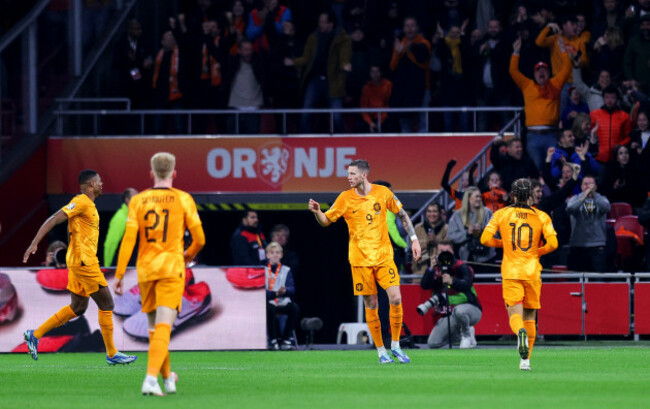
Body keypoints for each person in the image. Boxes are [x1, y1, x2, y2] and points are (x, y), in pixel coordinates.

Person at [308, 159, 421, 364]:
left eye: (352, 174)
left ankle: (395, 346)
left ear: (363, 175)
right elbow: (326, 221)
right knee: (372, 304)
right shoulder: (344, 198)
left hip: (384, 257)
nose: (348, 177)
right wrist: (318, 213)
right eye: (348, 174)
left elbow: (403, 215)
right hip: (360, 260)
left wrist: (414, 240)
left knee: (395, 298)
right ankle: (381, 351)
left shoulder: (383, 193)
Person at [113, 152, 205, 396]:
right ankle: (150, 379)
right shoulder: (184, 199)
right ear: (174, 173)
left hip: (146, 269)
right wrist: (187, 255)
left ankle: (168, 379)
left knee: (154, 329)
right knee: (165, 325)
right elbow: (200, 239)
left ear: (151, 174)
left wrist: (120, 274)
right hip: (171, 267)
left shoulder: (138, 201)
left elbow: (129, 240)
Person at [22, 170, 137, 365]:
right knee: (107, 304)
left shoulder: (88, 205)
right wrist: (34, 243)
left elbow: (71, 230)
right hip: (84, 262)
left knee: (78, 307)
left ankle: (35, 334)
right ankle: (112, 353)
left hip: (78, 261)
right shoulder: (82, 201)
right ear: (92, 183)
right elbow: (55, 218)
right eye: (99, 181)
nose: (102, 184)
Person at [480, 178, 558, 371]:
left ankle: (519, 331)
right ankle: (526, 361)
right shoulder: (542, 216)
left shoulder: (501, 214)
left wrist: (504, 244)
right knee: (530, 316)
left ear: (512, 195)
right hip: (532, 271)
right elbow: (554, 244)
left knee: (515, 314)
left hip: (511, 271)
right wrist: (536, 251)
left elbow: (485, 239)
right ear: (531, 196)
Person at [510, 36, 571, 171]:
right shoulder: (527, 85)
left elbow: (567, 68)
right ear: (534, 74)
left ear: (549, 73)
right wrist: (515, 53)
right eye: (539, 71)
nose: (541, 73)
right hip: (533, 137)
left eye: (544, 70)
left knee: (555, 170)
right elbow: (513, 72)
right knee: (536, 170)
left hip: (551, 135)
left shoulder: (555, 84)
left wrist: (563, 51)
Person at [286, 10, 352, 133]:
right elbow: (307, 58)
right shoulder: (313, 37)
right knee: (306, 110)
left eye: (323, 22)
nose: (320, 24)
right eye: (320, 22)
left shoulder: (343, 39)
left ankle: (340, 140)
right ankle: (305, 139)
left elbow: (344, 57)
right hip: (315, 79)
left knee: (336, 116)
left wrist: (344, 65)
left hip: (333, 80)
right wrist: (293, 62)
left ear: (331, 24)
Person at [418, 240, 482, 349]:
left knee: (459, 311)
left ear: (452, 251)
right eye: (441, 251)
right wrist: (430, 268)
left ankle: (467, 336)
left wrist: (453, 281)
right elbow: (425, 285)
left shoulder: (462, 267)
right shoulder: (436, 269)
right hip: (449, 313)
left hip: (471, 309)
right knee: (433, 343)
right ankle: (460, 334)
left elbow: (467, 284)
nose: (444, 254)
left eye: (447, 251)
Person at [565, 175, 611, 272]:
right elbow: (570, 208)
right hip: (577, 245)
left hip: (597, 246)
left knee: (597, 282)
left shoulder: (602, 199)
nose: (589, 187)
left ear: (596, 187)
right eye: (586, 184)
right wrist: (583, 197)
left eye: (591, 184)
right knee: (576, 281)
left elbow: (606, 208)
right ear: (581, 187)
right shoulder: (574, 199)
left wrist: (594, 196)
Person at [446, 186, 496, 267]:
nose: (479, 199)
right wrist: (467, 233)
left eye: (480, 196)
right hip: (465, 259)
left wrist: (483, 231)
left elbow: (497, 233)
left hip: (486, 258)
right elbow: (451, 235)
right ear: (468, 198)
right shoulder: (457, 215)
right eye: (476, 196)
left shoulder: (487, 212)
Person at [264, 242, 299, 351]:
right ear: (267, 255)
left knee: (294, 308)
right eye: (272, 252)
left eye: (278, 252)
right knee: (270, 309)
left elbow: (292, 289)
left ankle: (286, 339)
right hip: (270, 301)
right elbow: (260, 292)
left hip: (282, 300)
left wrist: (285, 291)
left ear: (281, 255)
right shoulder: (262, 270)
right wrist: (274, 294)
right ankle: (273, 340)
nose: (275, 255)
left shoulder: (286, 270)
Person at [590, 85, 632, 163]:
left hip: (617, 158)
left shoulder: (624, 116)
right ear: (603, 98)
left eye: (613, 97)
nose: (610, 100)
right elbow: (589, 133)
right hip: (599, 157)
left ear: (617, 99)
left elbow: (629, 136)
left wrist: (619, 146)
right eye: (607, 97)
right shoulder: (594, 114)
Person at [103, 188, 137, 266]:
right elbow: (111, 244)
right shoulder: (120, 217)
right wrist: (108, 267)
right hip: (121, 266)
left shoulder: (137, 216)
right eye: (134, 198)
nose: (138, 201)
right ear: (127, 200)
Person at [413, 202, 448, 277]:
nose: (431, 214)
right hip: (421, 272)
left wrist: (436, 241)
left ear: (439, 213)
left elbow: (449, 248)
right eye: (429, 211)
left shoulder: (446, 228)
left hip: (441, 272)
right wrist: (427, 242)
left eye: (434, 211)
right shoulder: (418, 228)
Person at [360, 65, 392, 133]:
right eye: (373, 72)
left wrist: (380, 121)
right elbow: (363, 109)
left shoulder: (388, 85)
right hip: (371, 118)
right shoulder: (366, 88)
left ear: (381, 73)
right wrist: (370, 123)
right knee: (360, 126)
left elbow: (389, 104)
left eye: (377, 72)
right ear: (369, 74)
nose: (375, 74)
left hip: (384, 117)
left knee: (390, 125)